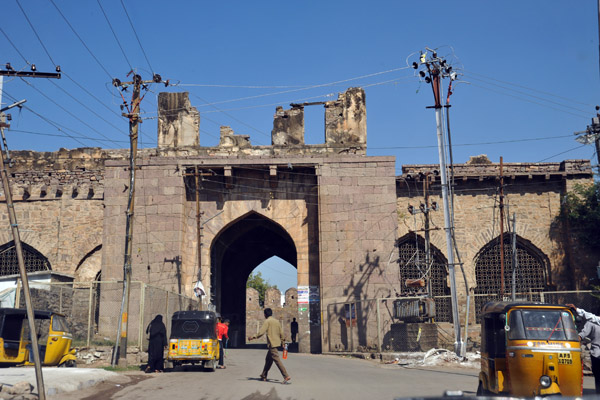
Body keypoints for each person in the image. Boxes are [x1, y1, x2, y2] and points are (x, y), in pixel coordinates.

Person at [248, 308, 291, 384]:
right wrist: (283, 342)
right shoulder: (276, 321)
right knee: (268, 359)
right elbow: (281, 332)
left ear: (265, 314)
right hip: (276, 343)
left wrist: (253, 337)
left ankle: (286, 376)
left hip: (272, 344)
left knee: (277, 360)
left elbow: (261, 332)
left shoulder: (267, 321)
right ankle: (264, 375)